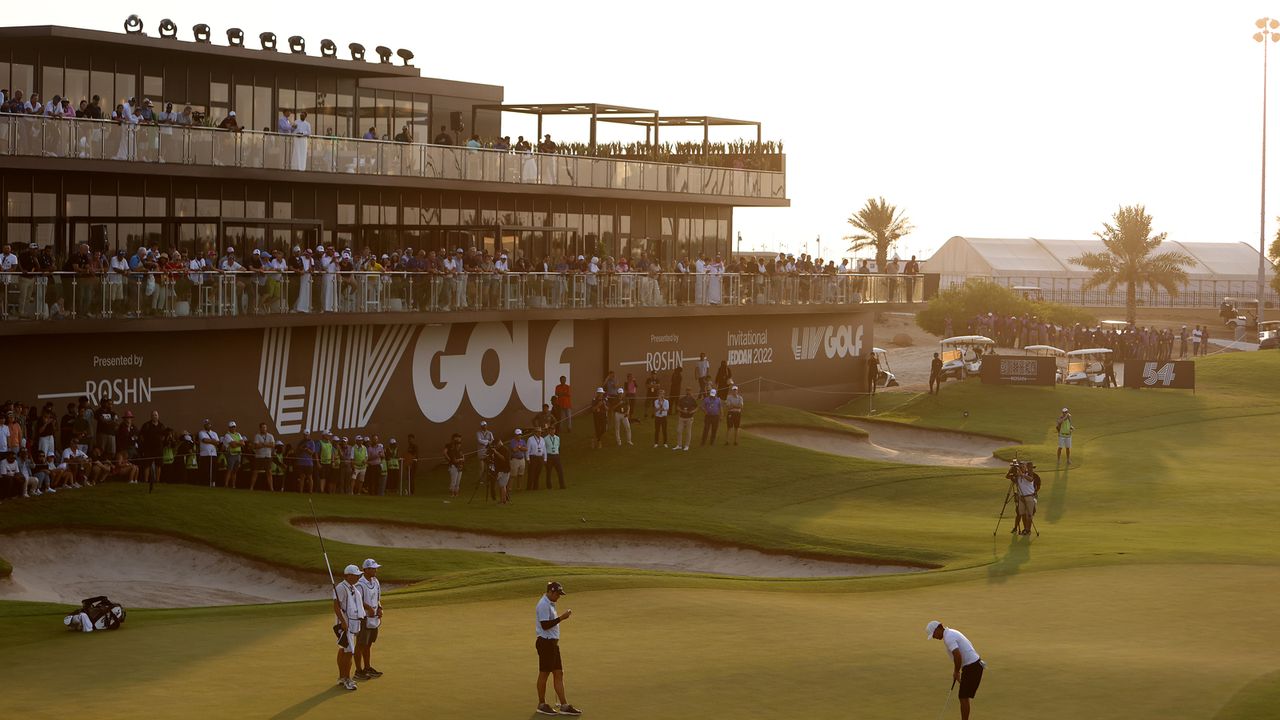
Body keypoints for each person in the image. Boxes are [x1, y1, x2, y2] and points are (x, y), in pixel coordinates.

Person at [534, 581, 581, 716]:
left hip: (553, 644)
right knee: (544, 673)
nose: (559, 597)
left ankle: (564, 706)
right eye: (557, 594)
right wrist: (562, 618)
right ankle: (541, 704)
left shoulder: (551, 603)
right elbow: (545, 625)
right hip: (545, 643)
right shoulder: (543, 604)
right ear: (551, 592)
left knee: (559, 673)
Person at [926, 621, 984, 720]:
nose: (934, 637)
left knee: (963, 697)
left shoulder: (949, 637)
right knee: (963, 696)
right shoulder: (950, 633)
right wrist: (958, 671)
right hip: (972, 666)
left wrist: (956, 671)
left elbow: (957, 655)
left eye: (934, 634)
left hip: (972, 666)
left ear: (938, 628)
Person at [334, 565, 367, 691]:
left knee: (343, 649)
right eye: (356, 575)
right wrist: (343, 622)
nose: (358, 577)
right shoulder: (341, 588)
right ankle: (347, 679)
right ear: (348, 575)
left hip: (352, 623)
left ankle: (342, 677)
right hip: (345, 625)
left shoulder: (353, 588)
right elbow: (336, 606)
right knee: (348, 652)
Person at [354, 559, 384, 681]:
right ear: (365, 570)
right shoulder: (360, 584)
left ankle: (367, 667)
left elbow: (378, 598)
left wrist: (380, 608)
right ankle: (358, 670)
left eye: (375, 568)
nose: (375, 570)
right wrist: (368, 608)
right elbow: (357, 600)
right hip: (363, 618)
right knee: (360, 644)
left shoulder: (375, 581)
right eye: (373, 568)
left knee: (368, 644)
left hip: (374, 618)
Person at [1014, 461, 1041, 535]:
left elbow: (1031, 479)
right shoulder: (1018, 476)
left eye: (1022, 467)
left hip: (1029, 496)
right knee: (1023, 514)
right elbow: (1008, 477)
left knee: (1029, 515)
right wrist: (1012, 470)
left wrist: (1022, 474)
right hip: (1021, 497)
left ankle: (1028, 530)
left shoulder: (1029, 474)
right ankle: (1025, 529)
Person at [249, 422, 275, 491]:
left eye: (265, 427)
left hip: (267, 457)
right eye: (263, 427)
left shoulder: (270, 436)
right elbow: (256, 446)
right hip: (259, 457)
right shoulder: (257, 436)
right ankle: (251, 487)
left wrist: (263, 444)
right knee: (255, 472)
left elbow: (272, 445)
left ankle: (271, 489)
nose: (264, 429)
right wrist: (266, 444)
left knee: (269, 473)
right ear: (260, 428)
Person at [222, 421, 245, 488]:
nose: (233, 428)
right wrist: (239, 443)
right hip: (231, 454)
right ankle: (226, 484)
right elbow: (233, 445)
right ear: (229, 428)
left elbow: (243, 443)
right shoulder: (227, 435)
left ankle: (233, 485)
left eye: (234, 427)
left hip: (238, 454)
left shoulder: (238, 434)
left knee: (235, 471)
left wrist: (236, 443)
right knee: (229, 470)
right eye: (232, 427)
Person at [444, 433, 465, 497]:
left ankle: (456, 493)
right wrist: (449, 459)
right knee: (454, 480)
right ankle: (452, 493)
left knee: (458, 481)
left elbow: (463, 456)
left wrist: (461, 460)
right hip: (453, 465)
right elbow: (445, 453)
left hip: (460, 465)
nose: (459, 439)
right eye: (457, 438)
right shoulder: (450, 446)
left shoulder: (460, 449)